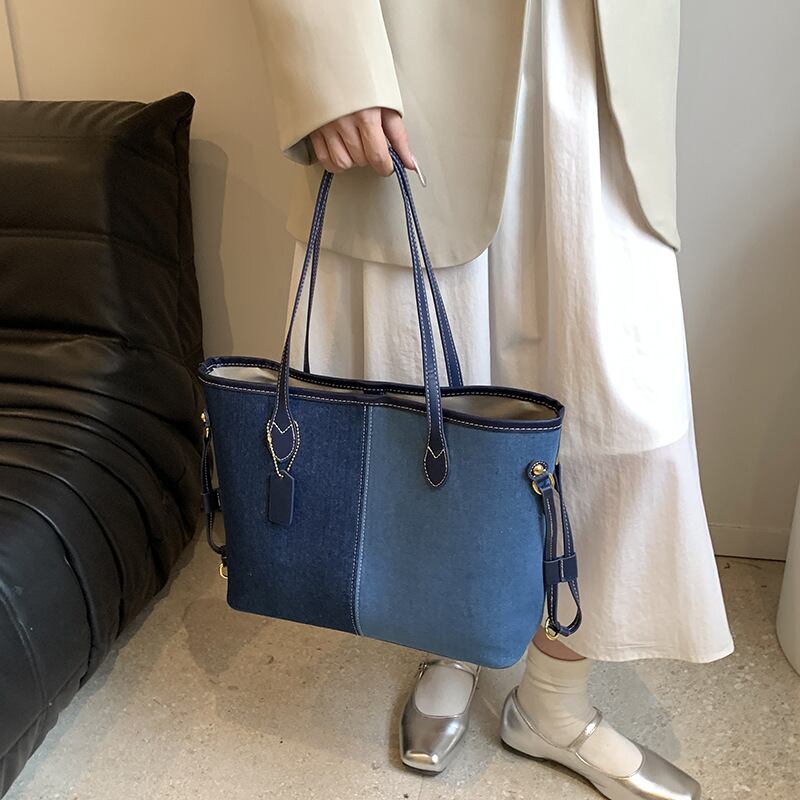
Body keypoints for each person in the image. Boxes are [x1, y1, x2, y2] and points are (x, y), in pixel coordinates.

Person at [250, 2, 733, 798]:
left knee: (624, 415)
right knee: (436, 393)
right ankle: (455, 638)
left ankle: (554, 703)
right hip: (420, 53)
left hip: (597, 52)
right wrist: (330, 61)